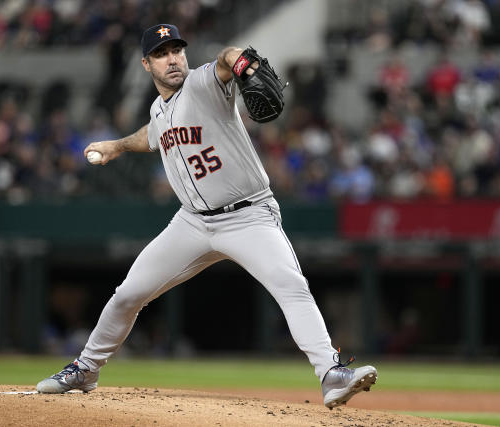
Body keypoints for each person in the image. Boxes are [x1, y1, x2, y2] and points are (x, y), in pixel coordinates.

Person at [36, 23, 377, 408]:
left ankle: (331, 373)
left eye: (177, 50)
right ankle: (86, 368)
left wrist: (243, 62)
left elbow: (225, 58)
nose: (173, 59)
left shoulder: (202, 84)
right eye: (162, 54)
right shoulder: (159, 110)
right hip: (193, 222)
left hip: (248, 216)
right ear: (146, 64)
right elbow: (151, 134)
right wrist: (117, 145)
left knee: (290, 285)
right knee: (128, 294)